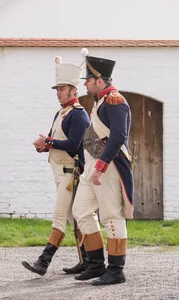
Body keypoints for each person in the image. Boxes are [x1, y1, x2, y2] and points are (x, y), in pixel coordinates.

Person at [22, 56, 90, 276]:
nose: (58, 92)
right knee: (74, 219)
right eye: (57, 89)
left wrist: (49, 142)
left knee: (60, 216)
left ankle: (43, 262)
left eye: (62, 89)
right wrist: (44, 146)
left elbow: (73, 145)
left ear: (73, 90)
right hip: (59, 172)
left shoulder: (79, 114)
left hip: (71, 174)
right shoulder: (61, 113)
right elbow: (56, 140)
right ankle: (87, 260)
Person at [72, 50, 134, 286]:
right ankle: (96, 264)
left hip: (108, 168)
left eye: (88, 80)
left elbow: (119, 136)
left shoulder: (115, 101)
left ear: (100, 80)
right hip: (92, 168)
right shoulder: (100, 102)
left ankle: (116, 269)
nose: (85, 84)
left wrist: (101, 165)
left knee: (111, 216)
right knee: (81, 211)